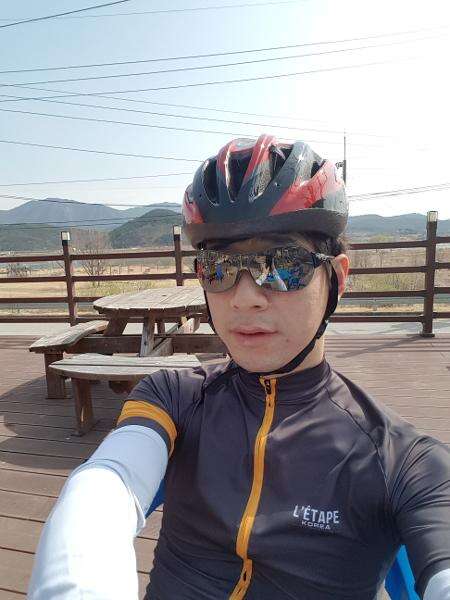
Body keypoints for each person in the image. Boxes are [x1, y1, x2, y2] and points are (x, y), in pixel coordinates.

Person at [28, 135, 450, 599]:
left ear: (338, 278)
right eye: (219, 268)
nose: (245, 297)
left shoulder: (401, 460)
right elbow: (107, 485)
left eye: (284, 265)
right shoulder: (174, 397)